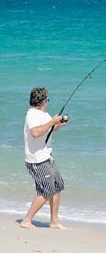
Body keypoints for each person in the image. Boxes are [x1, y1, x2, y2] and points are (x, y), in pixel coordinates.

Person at [20, 87, 66, 229]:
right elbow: (35, 132)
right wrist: (52, 122)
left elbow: (49, 129)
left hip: (47, 155)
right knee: (47, 190)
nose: (48, 102)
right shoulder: (32, 115)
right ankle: (26, 221)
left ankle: (54, 221)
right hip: (36, 159)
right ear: (43, 101)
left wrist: (58, 124)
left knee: (57, 186)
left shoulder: (44, 114)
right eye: (47, 99)